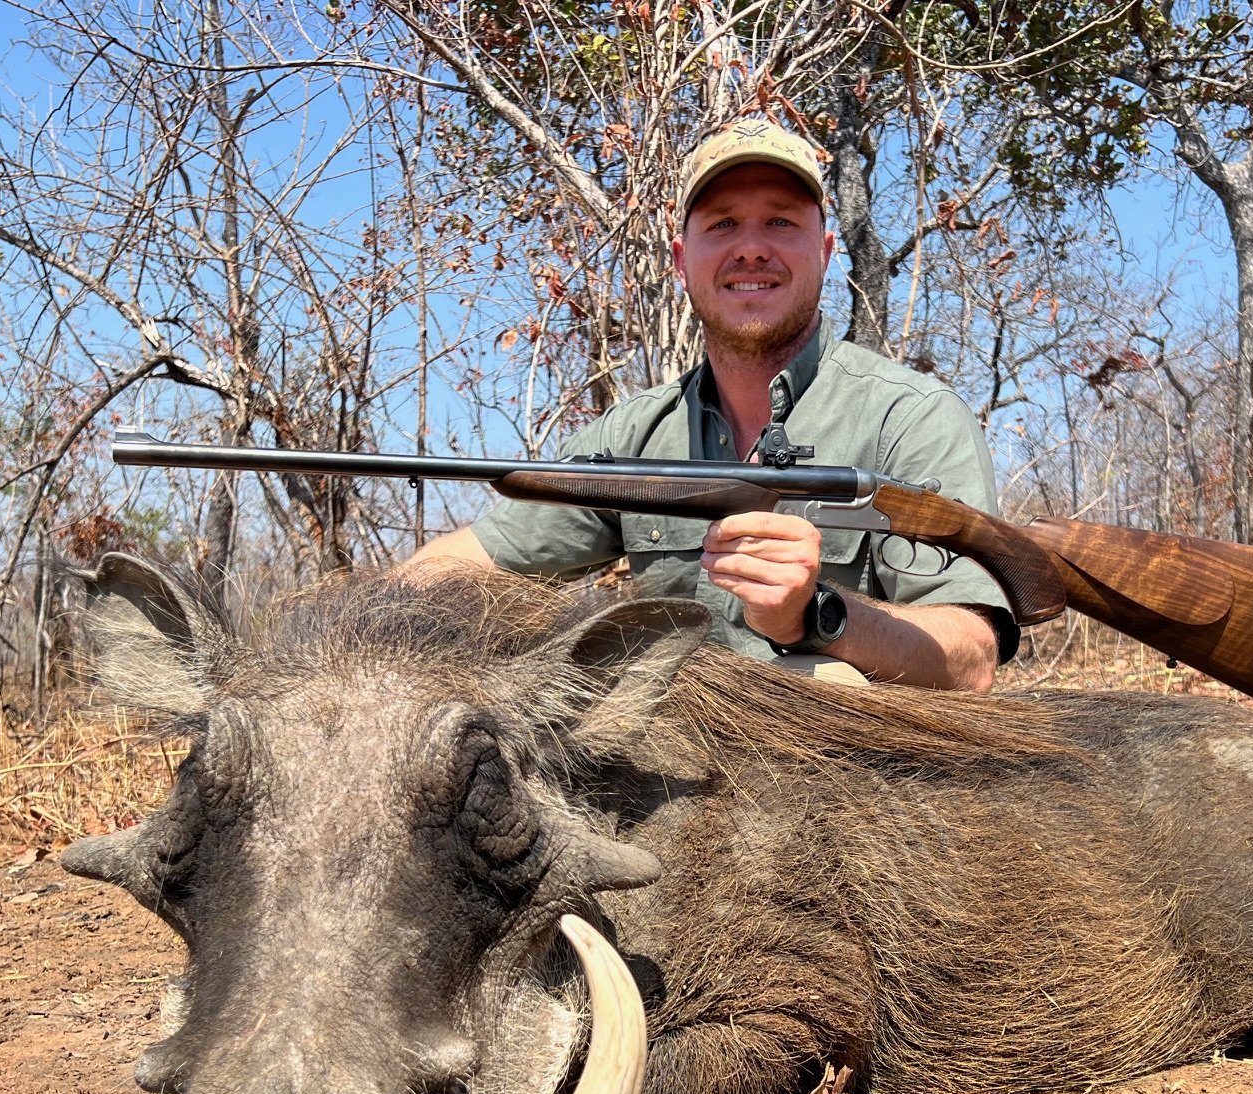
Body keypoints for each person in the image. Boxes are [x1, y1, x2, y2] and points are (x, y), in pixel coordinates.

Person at [411, 118, 1016, 691]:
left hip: (853, 784)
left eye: (781, 223)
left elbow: (971, 658)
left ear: (826, 251)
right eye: (723, 224)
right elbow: (466, 565)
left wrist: (816, 614)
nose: (751, 249)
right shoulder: (633, 437)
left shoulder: (910, 417)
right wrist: (347, 617)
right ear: (681, 260)